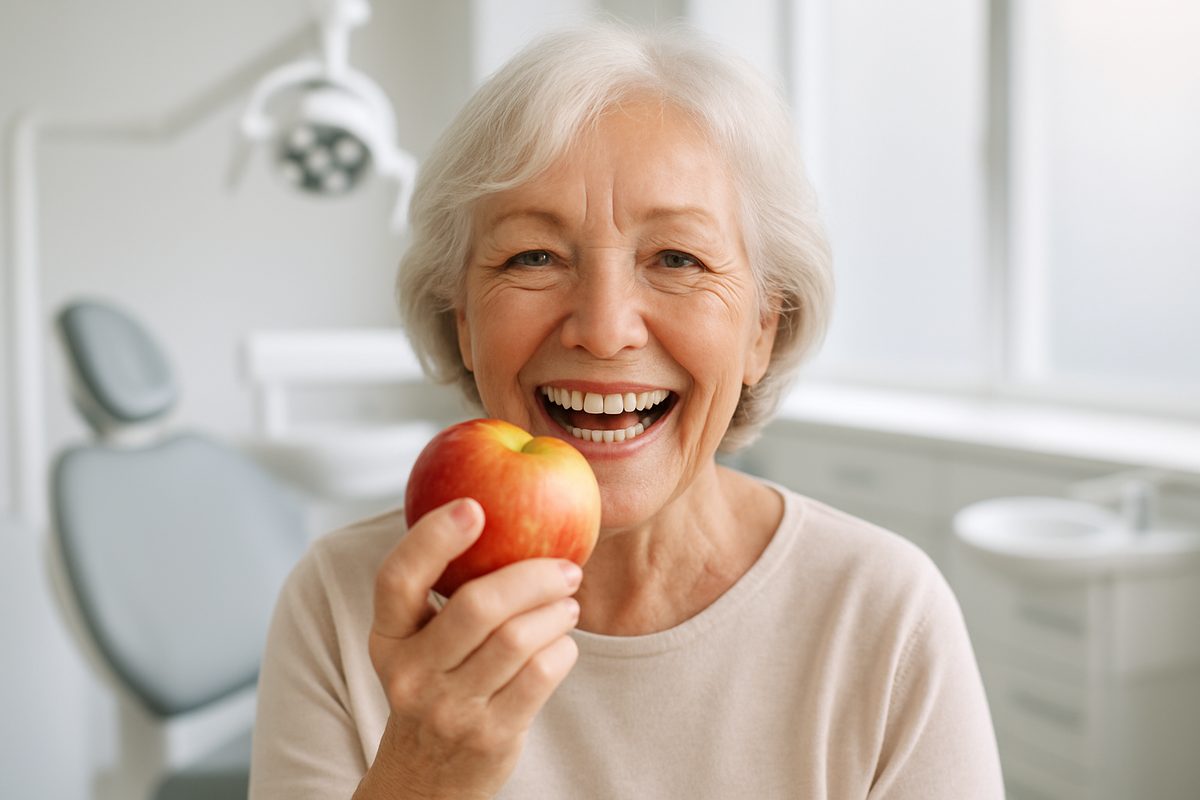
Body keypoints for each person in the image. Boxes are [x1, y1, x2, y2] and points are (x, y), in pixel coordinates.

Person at [249, 21, 1004, 800]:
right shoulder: (341, 603)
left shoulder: (883, 614)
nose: (605, 330)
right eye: (533, 257)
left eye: (677, 259)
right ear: (464, 322)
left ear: (762, 328)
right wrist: (423, 777)